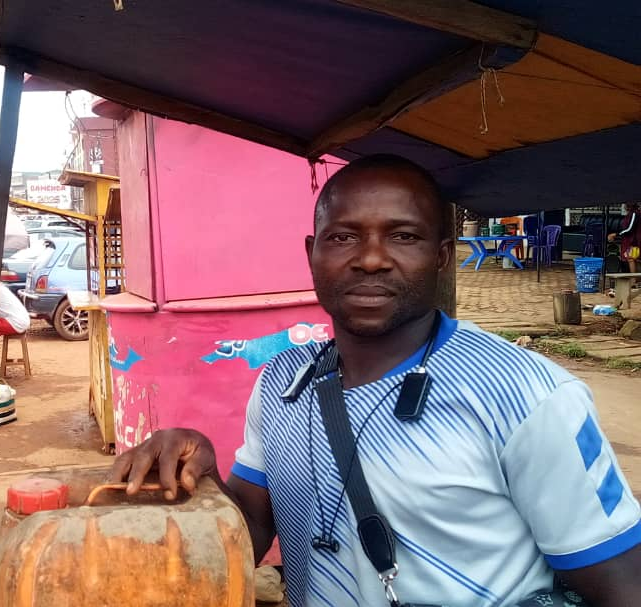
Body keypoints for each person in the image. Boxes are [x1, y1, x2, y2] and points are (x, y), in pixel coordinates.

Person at [110, 155, 641, 606]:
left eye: (403, 236)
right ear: (311, 253)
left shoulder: (526, 395)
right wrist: (197, 470)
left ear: (440, 258)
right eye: (343, 237)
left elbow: (622, 583)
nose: (369, 259)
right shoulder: (281, 384)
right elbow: (243, 533)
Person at [609, 202, 639, 281]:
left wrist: (616, 234)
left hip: (634, 241)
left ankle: (633, 281)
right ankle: (632, 280)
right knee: (629, 258)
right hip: (628, 241)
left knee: (631, 259)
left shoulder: (634, 214)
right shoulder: (630, 214)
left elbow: (630, 229)